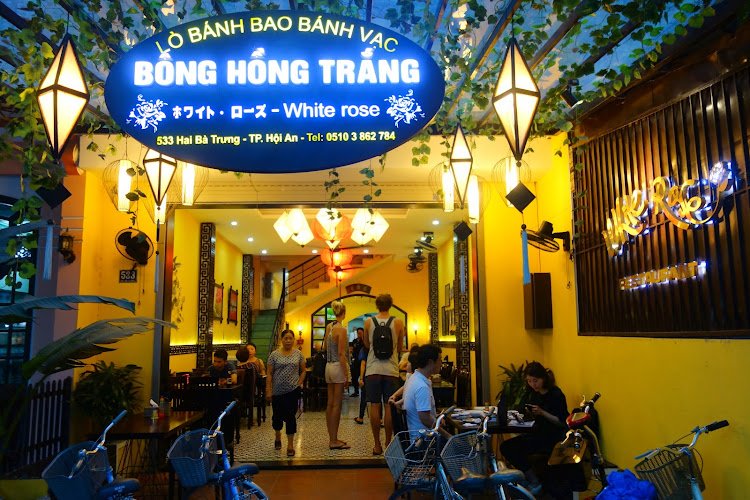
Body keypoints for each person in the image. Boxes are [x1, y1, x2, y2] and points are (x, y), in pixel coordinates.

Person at [500, 361, 569, 495]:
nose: (533, 384)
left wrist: (542, 412)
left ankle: (534, 481)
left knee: (510, 447)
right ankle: (530, 479)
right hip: (537, 432)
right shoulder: (534, 393)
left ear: (543, 378)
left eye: (535, 381)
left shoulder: (555, 394)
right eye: (529, 381)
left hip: (552, 436)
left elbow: (562, 422)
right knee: (507, 446)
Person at [363, 293, 405, 455]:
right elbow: (399, 347)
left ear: (377, 305)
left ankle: (377, 445)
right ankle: (388, 442)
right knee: (389, 406)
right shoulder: (398, 322)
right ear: (391, 305)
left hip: (372, 369)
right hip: (391, 370)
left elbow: (367, 344)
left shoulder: (368, 322)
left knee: (374, 405)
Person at [266, 329, 306, 457]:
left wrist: (299, 383)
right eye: (285, 338)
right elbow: (269, 373)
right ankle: (277, 436)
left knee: (290, 418)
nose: (288, 341)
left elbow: (303, 370)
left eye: (290, 338)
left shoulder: (298, 354)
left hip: (292, 391)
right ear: (281, 340)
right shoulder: (274, 355)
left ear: (293, 340)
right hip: (277, 392)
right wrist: (268, 390)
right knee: (277, 417)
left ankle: (290, 445)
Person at [402, 344, 447, 440]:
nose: (441, 363)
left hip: (416, 434)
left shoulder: (413, 378)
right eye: (439, 360)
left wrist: (436, 417)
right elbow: (425, 419)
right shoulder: (422, 386)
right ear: (430, 362)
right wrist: (447, 435)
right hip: (424, 440)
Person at [324, 300, 351, 450]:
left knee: (330, 403)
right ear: (344, 313)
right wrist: (346, 374)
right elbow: (341, 354)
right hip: (337, 367)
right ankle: (333, 441)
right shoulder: (342, 329)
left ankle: (332, 438)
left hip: (328, 367)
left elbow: (326, 347)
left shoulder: (329, 327)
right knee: (337, 404)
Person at [389, 343, 421, 409]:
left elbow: (410, 396)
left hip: (411, 409)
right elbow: (405, 387)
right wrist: (395, 395)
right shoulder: (409, 375)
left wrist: (398, 402)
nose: (407, 364)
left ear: (413, 365)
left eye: (408, 363)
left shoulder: (416, 379)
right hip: (406, 407)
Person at [353, 345, 369, 425]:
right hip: (377, 374)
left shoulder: (364, 349)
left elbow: (363, 363)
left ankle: (361, 417)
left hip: (367, 374)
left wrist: (361, 378)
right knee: (377, 398)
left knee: (364, 397)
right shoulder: (376, 346)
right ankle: (380, 419)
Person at [349, 328, 364, 397]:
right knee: (354, 376)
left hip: (362, 362)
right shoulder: (354, 341)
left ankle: (364, 391)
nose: (359, 334)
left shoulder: (364, 341)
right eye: (358, 333)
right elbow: (351, 349)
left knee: (363, 377)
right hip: (355, 361)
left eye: (361, 333)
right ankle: (356, 391)